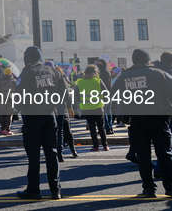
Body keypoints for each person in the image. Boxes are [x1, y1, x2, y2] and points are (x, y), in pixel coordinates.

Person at [111, 49, 172, 198]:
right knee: (164, 154)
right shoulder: (158, 73)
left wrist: (124, 116)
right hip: (158, 118)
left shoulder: (123, 77)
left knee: (143, 156)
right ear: (148, 60)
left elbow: (114, 97)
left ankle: (149, 189)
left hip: (137, 120)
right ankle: (170, 187)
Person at [15, 46, 67, 200]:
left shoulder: (26, 73)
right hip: (50, 115)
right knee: (52, 154)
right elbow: (64, 93)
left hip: (33, 117)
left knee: (34, 156)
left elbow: (18, 102)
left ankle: (33, 189)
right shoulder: (54, 72)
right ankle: (55, 190)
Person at [74, 64, 109, 151]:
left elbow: (76, 96)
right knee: (101, 127)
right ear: (94, 72)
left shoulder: (80, 82)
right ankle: (105, 145)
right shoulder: (98, 81)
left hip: (86, 108)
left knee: (92, 127)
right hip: (98, 107)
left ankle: (96, 146)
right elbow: (106, 93)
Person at [0, 68, 16, 135]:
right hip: (10, 98)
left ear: (4, 73)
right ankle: (7, 130)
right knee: (9, 114)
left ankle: (2, 129)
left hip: (2, 98)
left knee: (3, 114)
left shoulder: (0, 80)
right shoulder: (13, 81)